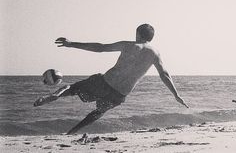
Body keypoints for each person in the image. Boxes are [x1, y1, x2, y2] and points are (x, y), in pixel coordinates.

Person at [33, 24, 188, 134]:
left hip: (104, 82)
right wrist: (176, 95)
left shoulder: (128, 45)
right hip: (120, 94)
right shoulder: (155, 54)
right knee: (98, 112)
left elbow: (100, 48)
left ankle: (55, 96)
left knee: (73, 88)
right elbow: (164, 74)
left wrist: (71, 44)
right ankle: (73, 131)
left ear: (138, 34)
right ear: (151, 38)